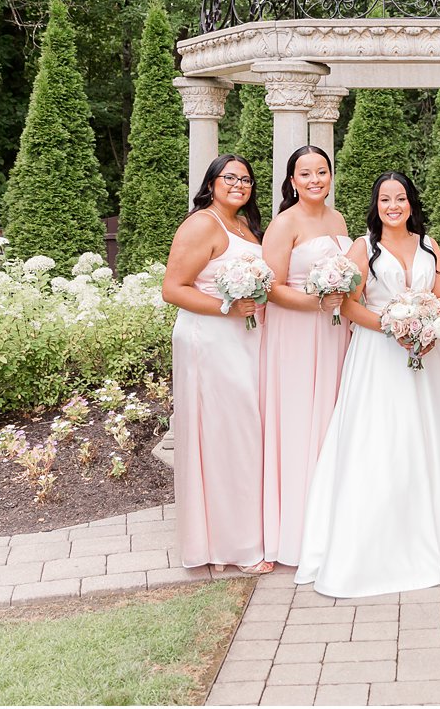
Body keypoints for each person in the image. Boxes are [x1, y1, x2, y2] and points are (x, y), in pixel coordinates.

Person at [295, 172, 440, 597]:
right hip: (378, 355)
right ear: (376, 205)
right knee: (382, 440)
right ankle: (373, 546)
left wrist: (427, 327)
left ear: (410, 202)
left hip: (427, 354)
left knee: (429, 439)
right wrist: (391, 326)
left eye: (400, 198)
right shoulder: (363, 247)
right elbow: (347, 304)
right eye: (385, 199)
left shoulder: (428, 245)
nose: (393, 206)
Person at [161, 154, 272, 575]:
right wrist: (226, 308)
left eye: (246, 179)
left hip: (242, 339)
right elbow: (173, 289)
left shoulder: (243, 226)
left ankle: (241, 532)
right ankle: (238, 547)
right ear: (211, 183)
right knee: (230, 436)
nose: (239, 184)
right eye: (230, 177)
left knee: (242, 435)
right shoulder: (202, 224)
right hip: (210, 340)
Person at [258, 145, 352, 567]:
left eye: (322, 172)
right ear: (292, 181)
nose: (315, 180)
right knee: (300, 420)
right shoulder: (284, 224)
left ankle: (333, 521)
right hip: (297, 331)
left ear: (330, 176)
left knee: (333, 416)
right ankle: (297, 531)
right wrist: (317, 302)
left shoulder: (338, 219)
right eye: (306, 173)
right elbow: (271, 287)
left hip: (336, 331)